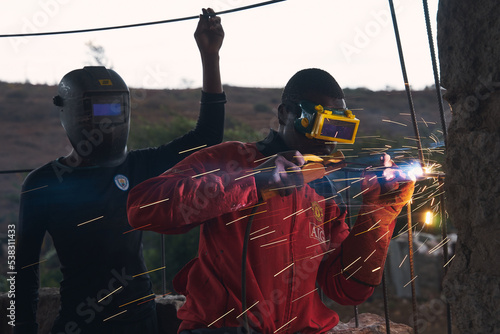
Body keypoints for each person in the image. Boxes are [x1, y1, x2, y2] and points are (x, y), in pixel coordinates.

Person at [127, 68, 415, 334]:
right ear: (284, 114)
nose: (328, 141)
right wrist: (254, 183)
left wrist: (379, 213)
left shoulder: (324, 189)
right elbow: (143, 208)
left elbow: (348, 289)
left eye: (337, 129)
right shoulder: (232, 160)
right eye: (319, 125)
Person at [15, 8, 225, 334]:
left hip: (141, 321)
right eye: (99, 109)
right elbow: (22, 270)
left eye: (115, 108)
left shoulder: (137, 166)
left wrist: (210, 57)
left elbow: (207, 138)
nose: (108, 122)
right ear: (69, 112)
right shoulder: (43, 185)